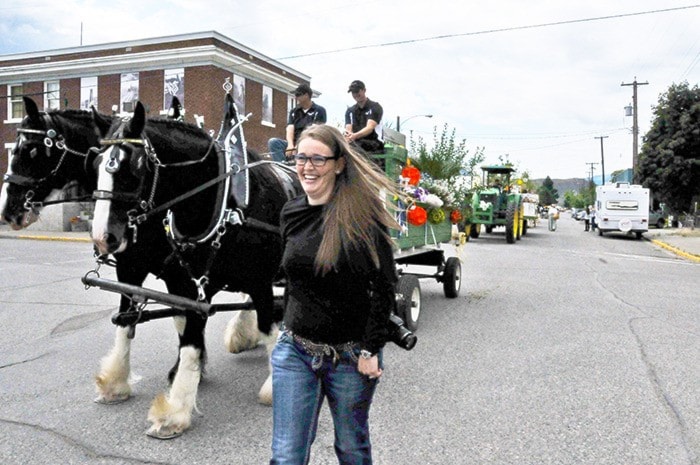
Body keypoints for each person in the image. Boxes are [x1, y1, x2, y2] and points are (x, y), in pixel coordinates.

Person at [270, 124, 401, 465]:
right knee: (286, 455)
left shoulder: (362, 219)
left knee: (351, 448)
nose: (307, 167)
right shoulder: (291, 212)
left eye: (318, 159)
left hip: (351, 356)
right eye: (301, 157)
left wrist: (372, 348)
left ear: (339, 164)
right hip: (295, 351)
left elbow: (385, 285)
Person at [268, 83, 327, 162]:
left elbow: (313, 132)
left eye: (298, 95)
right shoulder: (294, 111)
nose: (296, 97)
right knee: (273, 142)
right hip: (293, 144)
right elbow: (290, 128)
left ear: (306, 95)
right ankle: (283, 166)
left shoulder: (319, 110)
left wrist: (298, 146)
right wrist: (290, 145)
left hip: (309, 143)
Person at [344, 80, 385, 154]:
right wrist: (348, 137)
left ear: (364, 90)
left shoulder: (375, 107)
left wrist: (355, 136)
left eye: (357, 91)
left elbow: (370, 128)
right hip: (356, 143)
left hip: (374, 143)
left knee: (357, 146)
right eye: (353, 92)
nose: (355, 94)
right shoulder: (350, 111)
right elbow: (348, 129)